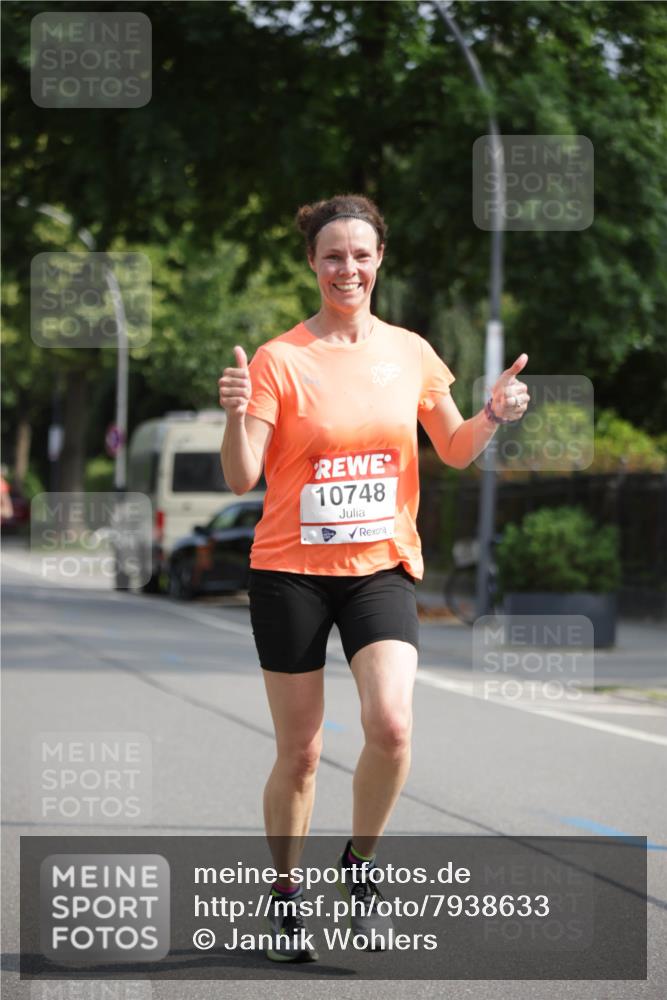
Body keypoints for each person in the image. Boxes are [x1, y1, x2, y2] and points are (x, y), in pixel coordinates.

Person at [218, 193, 529, 962]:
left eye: (359, 254)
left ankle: (358, 865)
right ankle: (285, 894)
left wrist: (490, 414)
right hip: (289, 571)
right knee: (301, 753)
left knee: (390, 724)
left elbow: (452, 449)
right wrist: (232, 413)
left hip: (379, 567)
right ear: (312, 264)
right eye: (331, 255)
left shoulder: (411, 351)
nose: (345, 267)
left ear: (378, 259)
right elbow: (238, 477)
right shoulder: (278, 359)